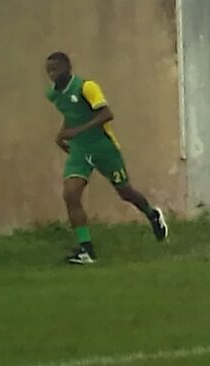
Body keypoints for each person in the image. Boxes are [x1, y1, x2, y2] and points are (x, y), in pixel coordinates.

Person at [43, 51, 168, 263]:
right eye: (48, 71)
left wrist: (78, 130)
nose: (52, 75)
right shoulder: (54, 94)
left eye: (55, 69)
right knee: (71, 194)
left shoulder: (86, 87)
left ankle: (152, 214)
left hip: (102, 146)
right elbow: (70, 114)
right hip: (80, 149)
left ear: (67, 68)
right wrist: (61, 135)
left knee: (125, 192)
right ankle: (86, 250)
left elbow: (106, 114)